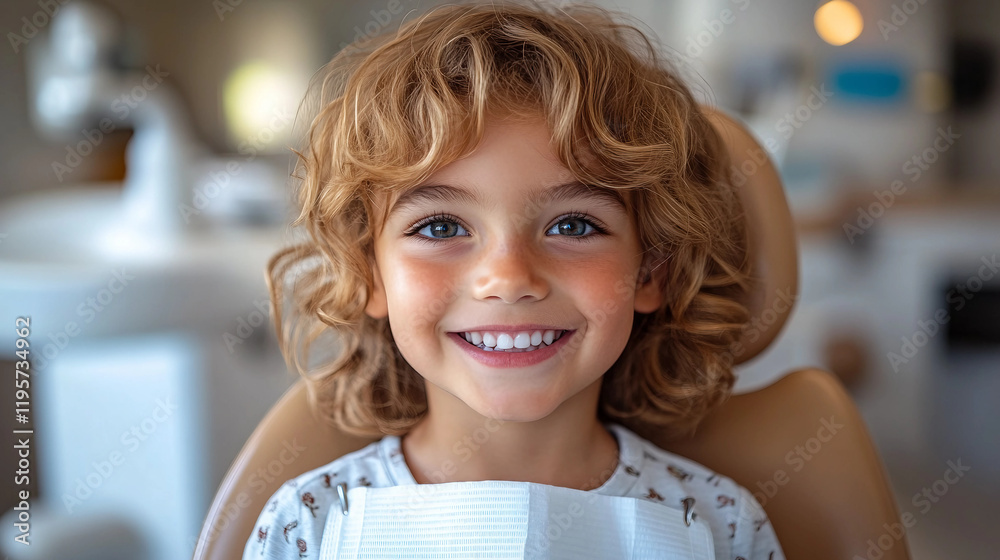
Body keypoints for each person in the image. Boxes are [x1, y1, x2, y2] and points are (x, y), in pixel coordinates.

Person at [244, 1, 785, 558]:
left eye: (573, 225)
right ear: (370, 274)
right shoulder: (308, 525)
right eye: (441, 226)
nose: (508, 278)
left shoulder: (719, 526)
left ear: (651, 270)